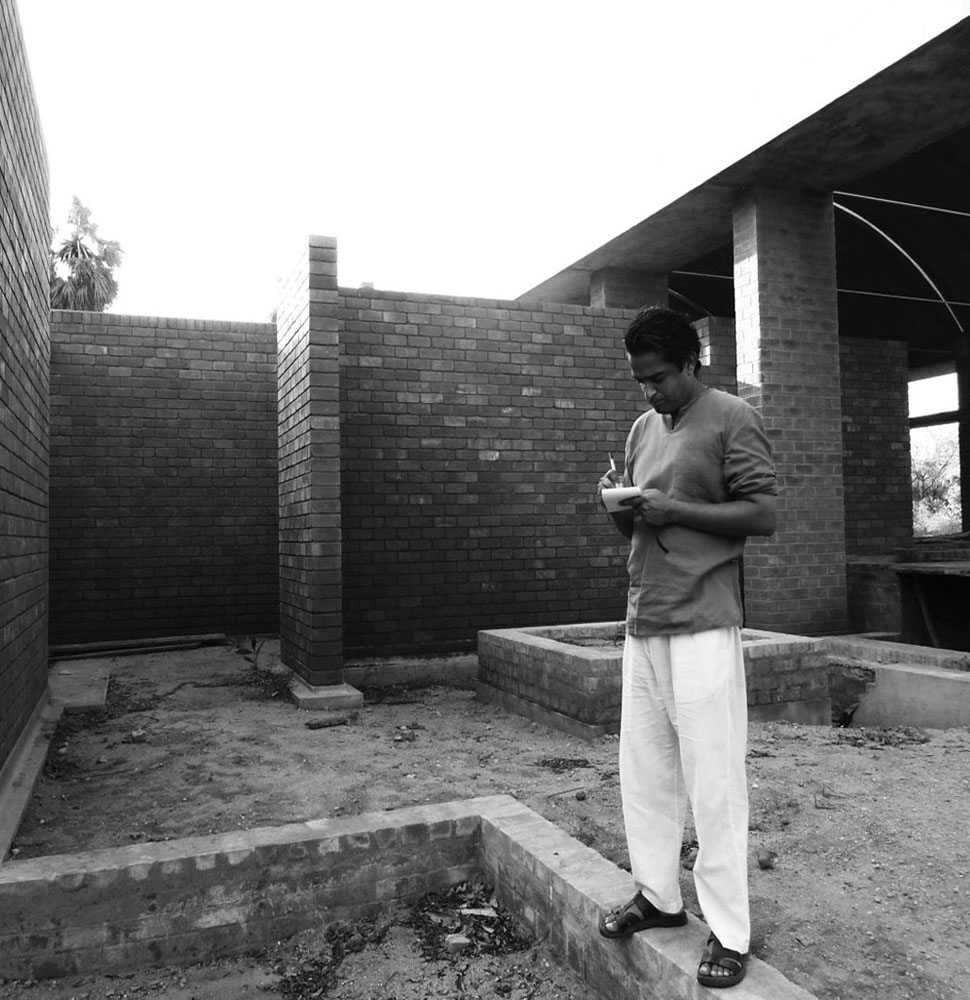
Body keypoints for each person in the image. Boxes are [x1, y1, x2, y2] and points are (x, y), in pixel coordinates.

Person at [596, 306, 777, 989]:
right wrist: (623, 509)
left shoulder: (732, 416)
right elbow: (643, 531)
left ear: (693, 362)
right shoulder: (644, 428)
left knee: (714, 779)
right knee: (643, 769)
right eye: (641, 380)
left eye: (661, 377)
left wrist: (679, 511)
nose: (650, 391)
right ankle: (659, 897)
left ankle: (729, 931)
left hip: (703, 619)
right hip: (646, 617)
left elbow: (764, 512)